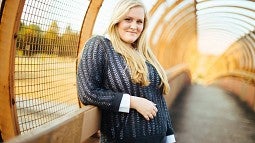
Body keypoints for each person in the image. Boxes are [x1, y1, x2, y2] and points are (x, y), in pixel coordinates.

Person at [77, 0, 176, 142]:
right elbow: (88, 92)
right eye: (128, 19)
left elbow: (158, 98)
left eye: (139, 21)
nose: (134, 26)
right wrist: (133, 102)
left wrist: (170, 137)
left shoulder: (145, 53)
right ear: (117, 21)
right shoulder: (100, 45)